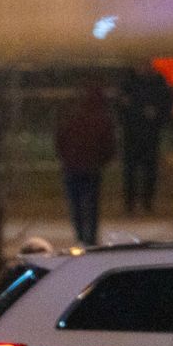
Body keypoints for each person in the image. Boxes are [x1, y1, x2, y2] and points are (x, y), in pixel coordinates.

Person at [55, 84, 116, 246]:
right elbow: (108, 144)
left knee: (76, 204)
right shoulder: (101, 119)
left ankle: (81, 234)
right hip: (91, 167)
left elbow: (60, 139)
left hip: (73, 166)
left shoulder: (71, 116)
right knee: (92, 204)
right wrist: (102, 160)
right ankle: (90, 236)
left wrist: (66, 158)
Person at [117, 64, 173, 214]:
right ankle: (131, 203)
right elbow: (120, 106)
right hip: (133, 133)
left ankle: (146, 202)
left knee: (148, 169)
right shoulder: (129, 83)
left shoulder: (156, 83)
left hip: (149, 133)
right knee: (131, 170)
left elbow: (166, 104)